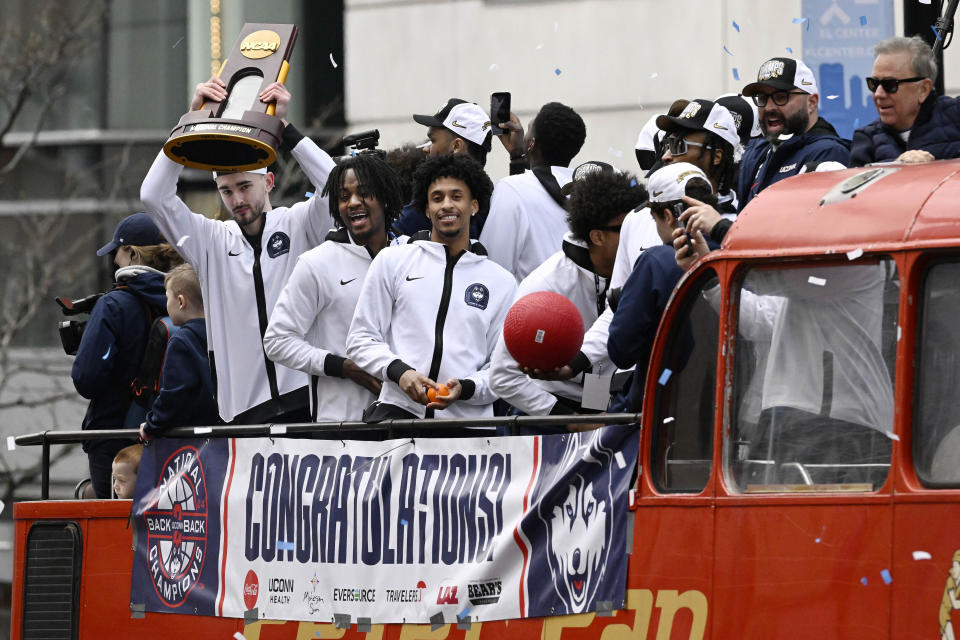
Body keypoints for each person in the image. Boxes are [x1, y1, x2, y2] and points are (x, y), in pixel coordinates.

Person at [140, 77, 336, 425]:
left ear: (269, 182)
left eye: (245, 186)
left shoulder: (300, 223)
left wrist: (283, 128)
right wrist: (191, 120)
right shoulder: (211, 241)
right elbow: (153, 195)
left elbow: (335, 183)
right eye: (226, 191)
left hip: (307, 399)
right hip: (244, 411)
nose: (237, 200)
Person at [346, 155, 517, 425]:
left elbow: (501, 371)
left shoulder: (502, 282)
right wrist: (400, 372)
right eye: (437, 198)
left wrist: (465, 388)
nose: (446, 205)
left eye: (456, 196)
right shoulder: (393, 261)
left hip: (467, 431)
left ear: (474, 205)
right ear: (426, 209)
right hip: (397, 420)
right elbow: (360, 339)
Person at [489, 165, 646, 420]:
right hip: (547, 417)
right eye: (626, 227)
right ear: (597, 236)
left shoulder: (636, 270)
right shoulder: (545, 283)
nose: (636, 233)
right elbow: (502, 375)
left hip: (610, 407)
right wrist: (567, 420)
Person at [264, 154, 405, 422]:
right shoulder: (316, 263)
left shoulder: (410, 255)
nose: (353, 202)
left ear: (385, 197)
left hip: (406, 424)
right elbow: (277, 341)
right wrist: (343, 367)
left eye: (364, 193)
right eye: (343, 196)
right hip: (340, 433)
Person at [72, 212, 180, 498]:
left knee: (114, 531)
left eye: (117, 253)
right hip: (168, 436)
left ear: (132, 254)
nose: (114, 261)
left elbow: (87, 380)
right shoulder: (183, 300)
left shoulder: (114, 305)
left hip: (113, 440)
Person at [607, 163, 717, 412]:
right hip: (727, 409)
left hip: (662, 410)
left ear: (668, 216)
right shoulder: (738, 253)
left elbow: (621, 350)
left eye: (654, 218)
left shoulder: (656, 263)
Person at [480, 101, 587, 281]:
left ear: (531, 143)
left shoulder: (511, 189)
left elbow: (493, 268)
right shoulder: (587, 192)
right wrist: (517, 157)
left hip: (529, 305)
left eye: (528, 129)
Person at [739, 57, 849, 210]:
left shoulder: (828, 153)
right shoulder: (760, 154)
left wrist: (719, 227)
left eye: (781, 97)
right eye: (763, 98)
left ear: (812, 103)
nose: (769, 107)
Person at [851, 35, 960, 166]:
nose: (878, 94)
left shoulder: (956, 116)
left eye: (890, 84)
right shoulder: (866, 140)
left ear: (923, 89)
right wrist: (897, 168)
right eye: (873, 83)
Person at [138, 263, 219, 441]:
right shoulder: (225, 333)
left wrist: (153, 425)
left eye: (167, 298)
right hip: (229, 433)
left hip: (193, 438)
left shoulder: (182, 340)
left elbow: (174, 394)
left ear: (181, 302)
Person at [392, 99, 493, 237]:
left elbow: (384, 238)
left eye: (432, 141)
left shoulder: (431, 203)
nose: (426, 149)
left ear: (456, 146)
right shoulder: (494, 200)